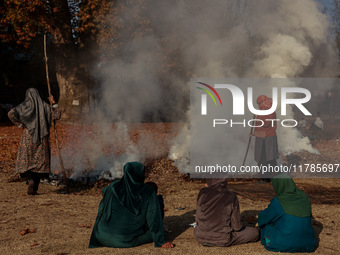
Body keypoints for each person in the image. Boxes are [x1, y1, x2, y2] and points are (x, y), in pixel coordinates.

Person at [89, 162, 174, 249]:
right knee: (157, 230)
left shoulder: (112, 188)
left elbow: (101, 211)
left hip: (101, 236)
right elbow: (153, 218)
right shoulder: (148, 192)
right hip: (125, 240)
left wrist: (95, 237)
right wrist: (160, 241)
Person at [7, 88, 61, 195]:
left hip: (28, 136)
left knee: (28, 160)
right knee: (39, 162)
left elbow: (10, 113)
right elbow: (57, 115)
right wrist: (54, 103)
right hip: (42, 137)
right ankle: (34, 184)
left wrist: (20, 124)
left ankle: (30, 180)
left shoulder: (23, 106)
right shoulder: (45, 106)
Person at [258, 174, 316, 252]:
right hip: (308, 244)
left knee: (267, 225)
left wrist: (259, 218)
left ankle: (269, 241)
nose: (273, 188)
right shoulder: (305, 198)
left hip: (284, 244)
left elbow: (265, 217)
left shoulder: (278, 201)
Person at [194, 178, 259, 247]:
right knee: (254, 232)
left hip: (200, 236)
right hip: (222, 239)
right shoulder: (231, 196)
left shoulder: (202, 192)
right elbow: (237, 227)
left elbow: (198, 217)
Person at [251, 95, 279, 181]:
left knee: (265, 159)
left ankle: (266, 178)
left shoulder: (270, 111)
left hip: (267, 138)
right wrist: (254, 133)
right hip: (263, 137)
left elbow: (266, 123)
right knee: (264, 158)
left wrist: (258, 115)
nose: (259, 106)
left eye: (260, 103)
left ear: (264, 102)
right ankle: (268, 176)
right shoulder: (264, 111)